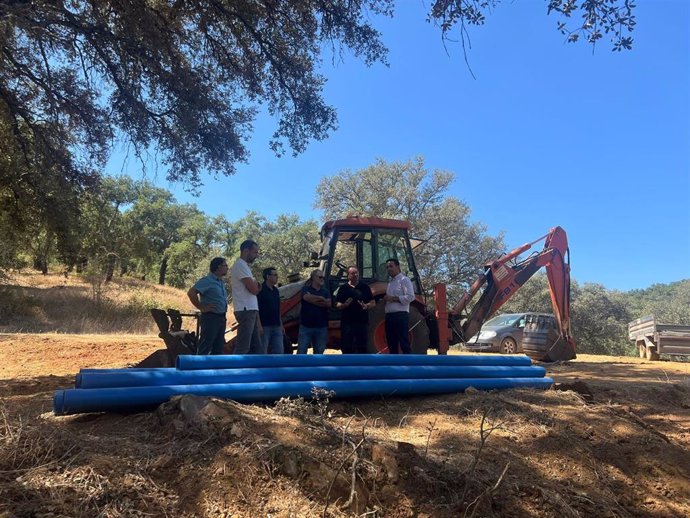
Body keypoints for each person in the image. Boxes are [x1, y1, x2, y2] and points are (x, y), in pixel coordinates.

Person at [187, 257, 229, 355]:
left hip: (221, 317)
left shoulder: (221, 282)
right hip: (211, 318)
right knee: (205, 346)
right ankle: (199, 368)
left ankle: (215, 369)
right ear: (218, 267)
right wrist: (201, 307)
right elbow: (191, 292)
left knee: (218, 347)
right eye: (225, 265)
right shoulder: (207, 280)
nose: (227, 268)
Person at [231, 240, 263, 354]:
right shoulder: (240, 265)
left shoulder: (245, 266)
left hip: (250, 309)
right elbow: (254, 289)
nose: (256, 255)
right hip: (245, 309)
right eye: (255, 252)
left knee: (256, 347)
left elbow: (254, 287)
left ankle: (255, 370)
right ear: (246, 251)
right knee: (243, 346)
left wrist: (256, 286)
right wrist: (257, 286)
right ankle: (235, 370)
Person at [335, 266, 374, 354]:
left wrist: (366, 306)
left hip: (362, 323)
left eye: (357, 273)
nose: (355, 275)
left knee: (362, 347)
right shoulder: (343, 288)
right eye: (353, 273)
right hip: (347, 323)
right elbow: (337, 304)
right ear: (348, 276)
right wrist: (344, 305)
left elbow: (373, 302)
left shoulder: (365, 287)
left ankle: (361, 366)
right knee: (346, 347)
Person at [383, 258, 415, 354]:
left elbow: (411, 297)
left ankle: (409, 366)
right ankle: (394, 367)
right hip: (389, 316)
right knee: (391, 344)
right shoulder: (390, 283)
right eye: (387, 267)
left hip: (400, 316)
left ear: (398, 267)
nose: (389, 269)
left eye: (391, 266)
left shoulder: (404, 280)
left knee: (404, 343)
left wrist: (393, 298)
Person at [297, 269, 331, 354]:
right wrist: (321, 298)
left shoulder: (326, 291)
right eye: (320, 277)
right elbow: (306, 298)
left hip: (321, 327)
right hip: (306, 326)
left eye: (322, 277)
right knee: (301, 352)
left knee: (319, 353)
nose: (322, 279)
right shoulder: (305, 289)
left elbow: (328, 304)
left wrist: (312, 299)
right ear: (313, 278)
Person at [258, 266, 284, 354]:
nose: (277, 277)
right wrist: (259, 325)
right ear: (268, 277)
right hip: (265, 326)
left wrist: (281, 324)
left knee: (279, 351)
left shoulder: (276, 290)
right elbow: (256, 309)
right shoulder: (260, 289)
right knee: (262, 352)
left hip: (277, 326)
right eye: (275, 275)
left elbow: (278, 308)